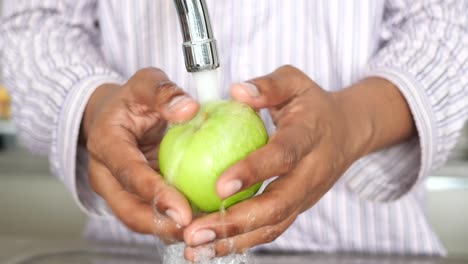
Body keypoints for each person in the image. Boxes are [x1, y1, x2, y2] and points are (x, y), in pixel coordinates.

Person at [1, 0, 467, 262]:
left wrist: (352, 121)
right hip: (140, 251)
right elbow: (35, 19)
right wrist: (92, 106)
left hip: (369, 246)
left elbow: (450, 19)